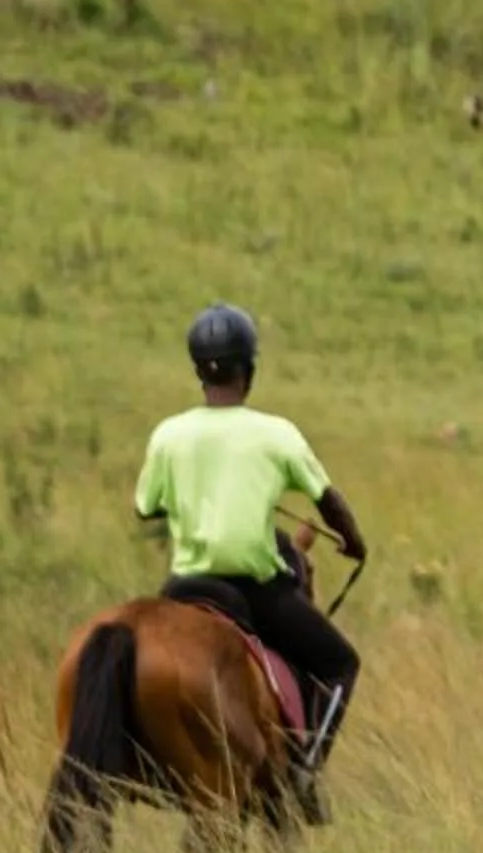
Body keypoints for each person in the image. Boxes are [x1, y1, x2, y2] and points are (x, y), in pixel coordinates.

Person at [136, 303, 370, 817]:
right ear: (251, 370)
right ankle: (306, 772)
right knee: (339, 664)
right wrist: (353, 541)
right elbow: (327, 499)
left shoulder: (168, 434)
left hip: (183, 587)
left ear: (199, 370)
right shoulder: (277, 433)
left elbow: (145, 506)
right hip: (254, 593)